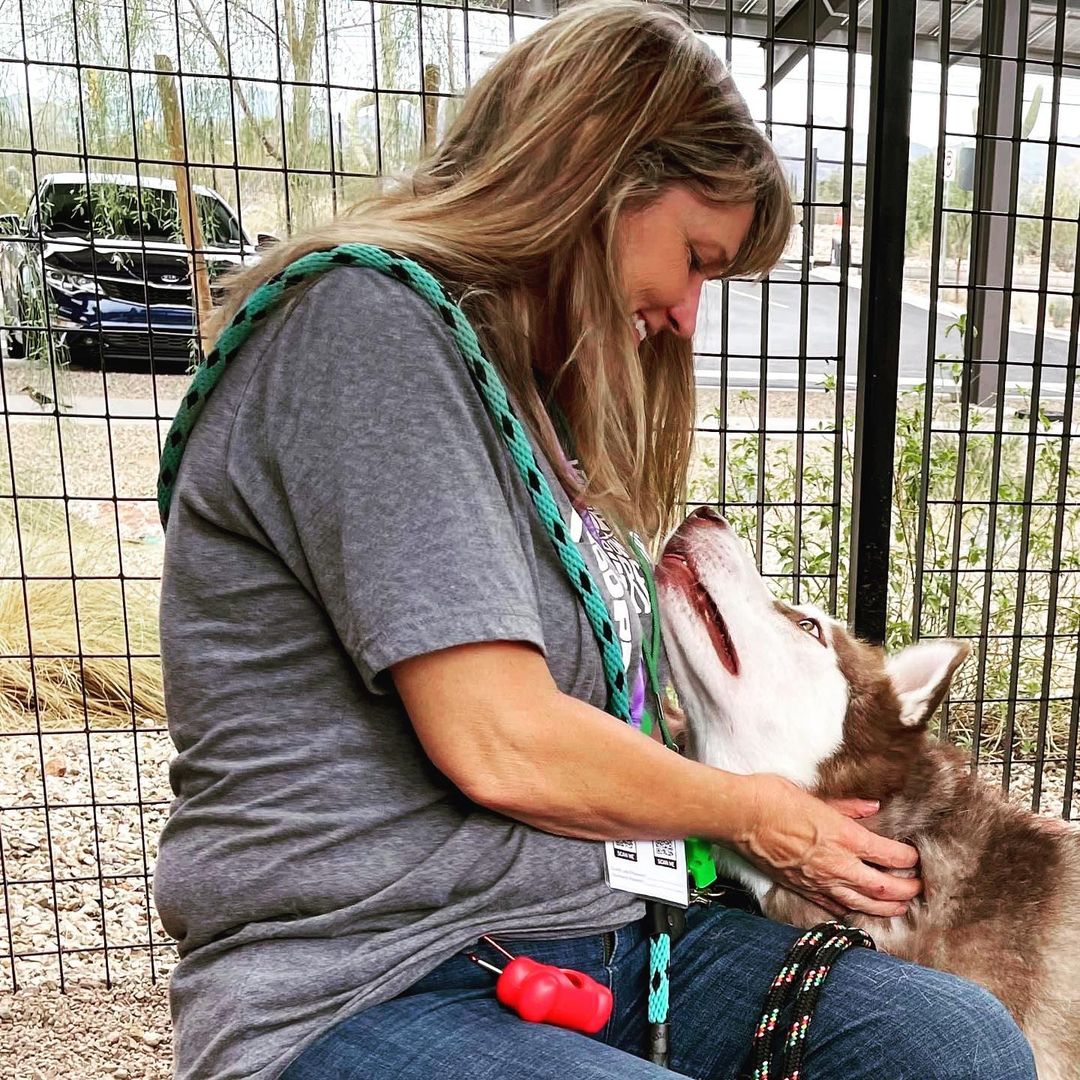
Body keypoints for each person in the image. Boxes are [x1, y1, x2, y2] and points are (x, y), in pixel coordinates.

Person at [153, 3, 1037, 1078]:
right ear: (593, 174)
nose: (686, 316)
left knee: (954, 1044)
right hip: (373, 975)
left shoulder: (531, 406)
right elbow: (500, 738)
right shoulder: (364, 329)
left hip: (617, 941)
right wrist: (762, 816)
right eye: (696, 259)